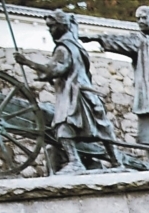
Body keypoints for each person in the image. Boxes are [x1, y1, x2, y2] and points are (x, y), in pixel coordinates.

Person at [80, 5, 149, 167]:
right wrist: (96, 37)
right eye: (138, 18)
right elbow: (118, 41)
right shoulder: (138, 41)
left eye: (144, 17)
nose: (140, 21)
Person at [14, 10, 120, 175]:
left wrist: (27, 62)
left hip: (73, 94)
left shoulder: (63, 48)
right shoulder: (75, 45)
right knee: (102, 127)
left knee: (62, 127)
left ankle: (75, 162)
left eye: (52, 26)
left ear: (61, 26)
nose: (50, 30)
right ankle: (116, 160)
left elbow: (55, 69)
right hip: (85, 91)